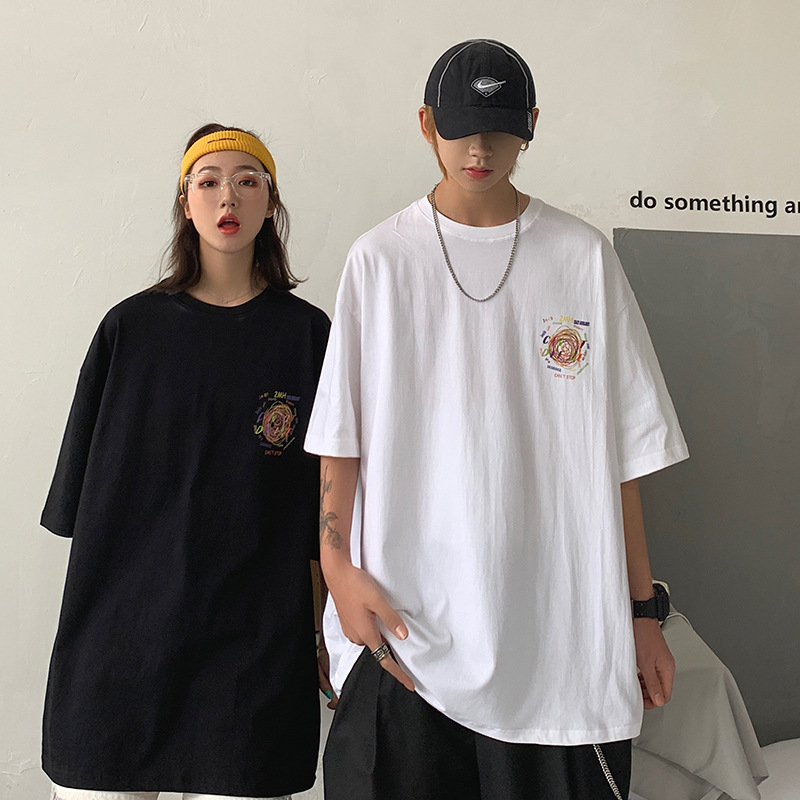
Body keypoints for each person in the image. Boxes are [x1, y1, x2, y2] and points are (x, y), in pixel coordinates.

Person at [305, 39, 689, 800]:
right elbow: (340, 445)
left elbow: (621, 460)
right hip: (407, 633)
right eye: (461, 129)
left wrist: (642, 611)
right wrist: (337, 574)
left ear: (531, 126)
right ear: (427, 125)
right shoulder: (380, 261)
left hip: (559, 643)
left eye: (500, 130)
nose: (479, 150)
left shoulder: (582, 258)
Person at [40, 124, 332, 800]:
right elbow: (81, 513)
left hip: (253, 658)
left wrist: (325, 634)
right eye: (209, 181)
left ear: (271, 203)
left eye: (248, 181)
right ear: (185, 201)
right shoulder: (129, 331)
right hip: (121, 653)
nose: (228, 197)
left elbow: (324, 512)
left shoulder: (309, 337)